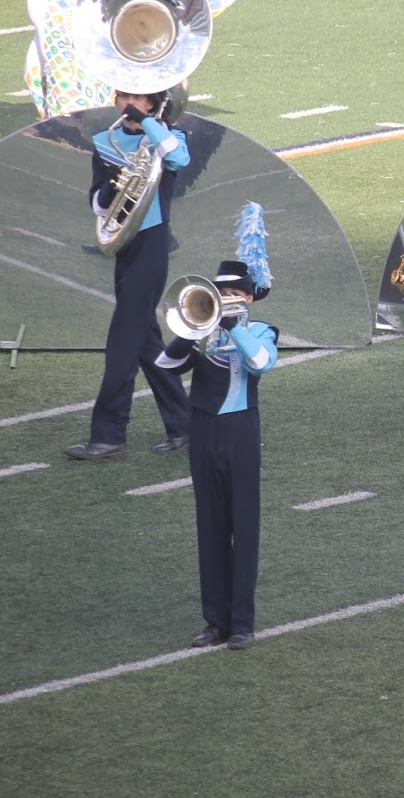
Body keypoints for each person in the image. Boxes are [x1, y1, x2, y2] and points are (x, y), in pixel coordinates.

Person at [156, 256, 278, 651]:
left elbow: (260, 364)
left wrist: (232, 328)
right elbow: (165, 365)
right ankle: (215, 622)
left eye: (233, 295)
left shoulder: (261, 330)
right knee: (209, 527)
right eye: (220, 294)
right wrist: (194, 330)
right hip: (204, 429)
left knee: (243, 528)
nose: (225, 300)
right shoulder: (202, 332)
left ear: (248, 298)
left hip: (240, 429)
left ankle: (241, 623)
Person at [66, 88, 192, 460]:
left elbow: (179, 159)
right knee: (146, 341)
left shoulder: (169, 137)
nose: (122, 103)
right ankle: (185, 426)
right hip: (124, 243)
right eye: (121, 96)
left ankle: (109, 435)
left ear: (151, 102)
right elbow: (96, 201)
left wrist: (150, 124)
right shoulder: (106, 141)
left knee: (123, 342)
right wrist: (112, 188)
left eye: (132, 97)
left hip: (152, 245)